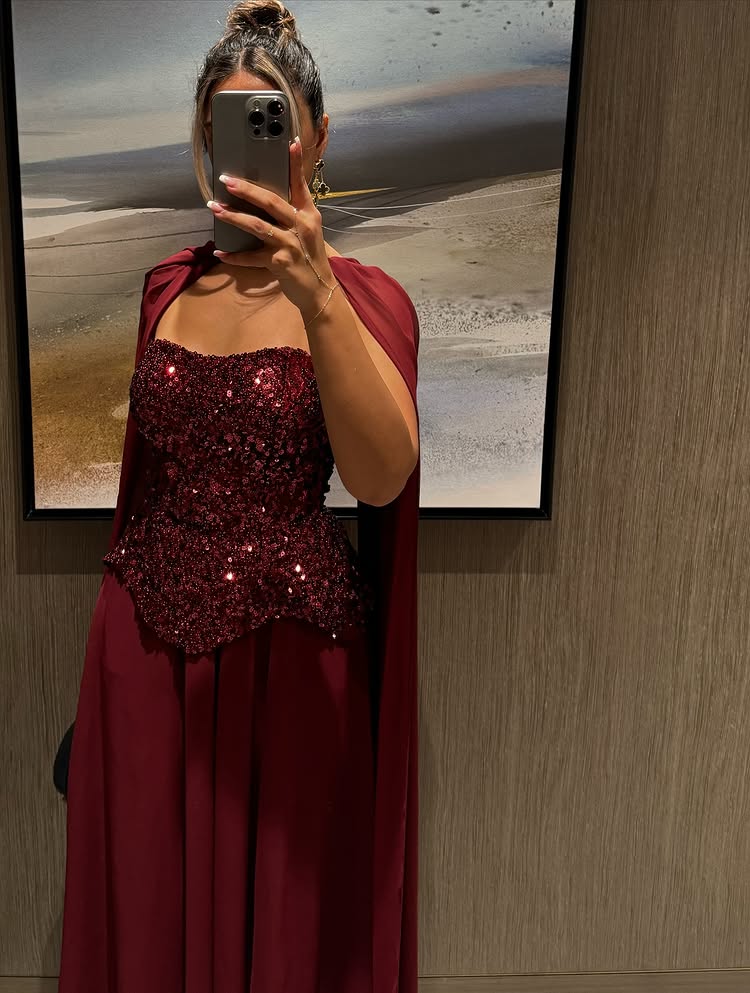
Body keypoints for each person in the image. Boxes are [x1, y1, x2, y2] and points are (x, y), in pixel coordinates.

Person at [57, 2, 421, 992]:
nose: (245, 150)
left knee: (288, 935)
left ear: (317, 139)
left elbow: (381, 478)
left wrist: (318, 294)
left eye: (271, 124)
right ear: (202, 142)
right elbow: (145, 482)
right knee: (147, 919)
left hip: (292, 676)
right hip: (141, 659)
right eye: (223, 126)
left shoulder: (365, 300)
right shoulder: (167, 290)